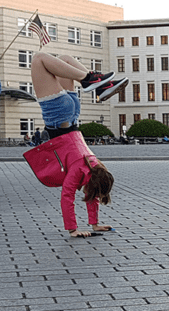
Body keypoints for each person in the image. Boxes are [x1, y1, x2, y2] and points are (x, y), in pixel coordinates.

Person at [29, 53, 123, 237]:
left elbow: (92, 195)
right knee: (38, 59)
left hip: (73, 112)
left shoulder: (93, 163)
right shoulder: (79, 171)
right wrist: (73, 229)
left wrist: (94, 225)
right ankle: (89, 79)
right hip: (58, 113)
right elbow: (67, 197)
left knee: (64, 58)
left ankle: (99, 85)